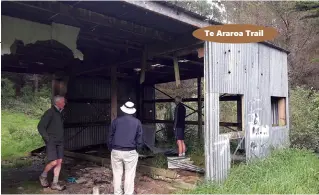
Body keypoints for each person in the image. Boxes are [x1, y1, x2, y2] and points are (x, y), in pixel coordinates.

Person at [108, 101, 143, 195]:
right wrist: (138, 150)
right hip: (130, 151)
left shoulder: (116, 121)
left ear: (123, 110)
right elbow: (139, 139)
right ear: (132, 111)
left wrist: (110, 148)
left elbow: (110, 136)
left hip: (116, 151)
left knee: (117, 174)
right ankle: (128, 193)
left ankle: (117, 193)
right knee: (129, 175)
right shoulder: (137, 122)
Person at [38, 95, 66, 191]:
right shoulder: (50, 113)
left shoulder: (61, 113)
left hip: (60, 141)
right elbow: (40, 127)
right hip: (52, 141)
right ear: (58, 103)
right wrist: (48, 138)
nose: (64, 103)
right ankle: (43, 175)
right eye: (63, 102)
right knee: (53, 162)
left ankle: (55, 183)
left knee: (59, 162)